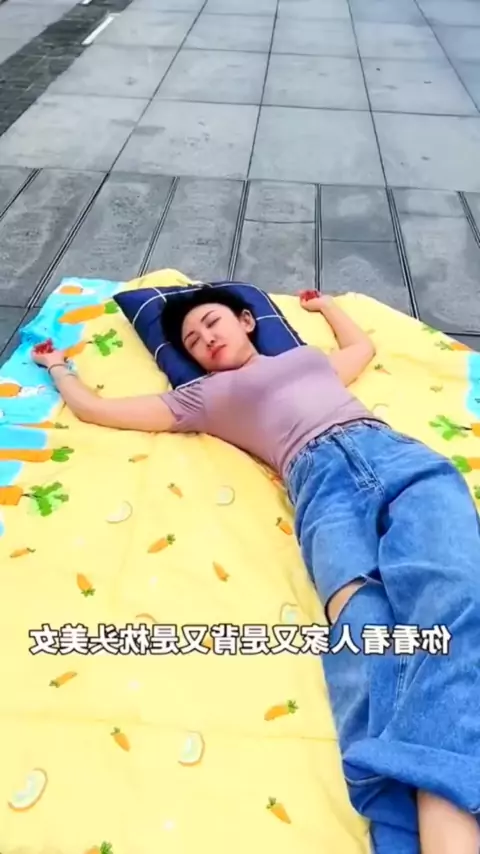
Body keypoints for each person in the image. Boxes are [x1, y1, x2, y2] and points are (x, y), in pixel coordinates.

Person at [31, 286, 480, 854]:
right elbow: (97, 410)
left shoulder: (306, 360)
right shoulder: (202, 397)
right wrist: (59, 367)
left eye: (212, 322)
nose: (206, 339)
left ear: (247, 320)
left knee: (454, 604)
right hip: (322, 493)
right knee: (363, 642)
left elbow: (361, 350)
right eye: (192, 341)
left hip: (399, 458)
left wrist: (324, 307)